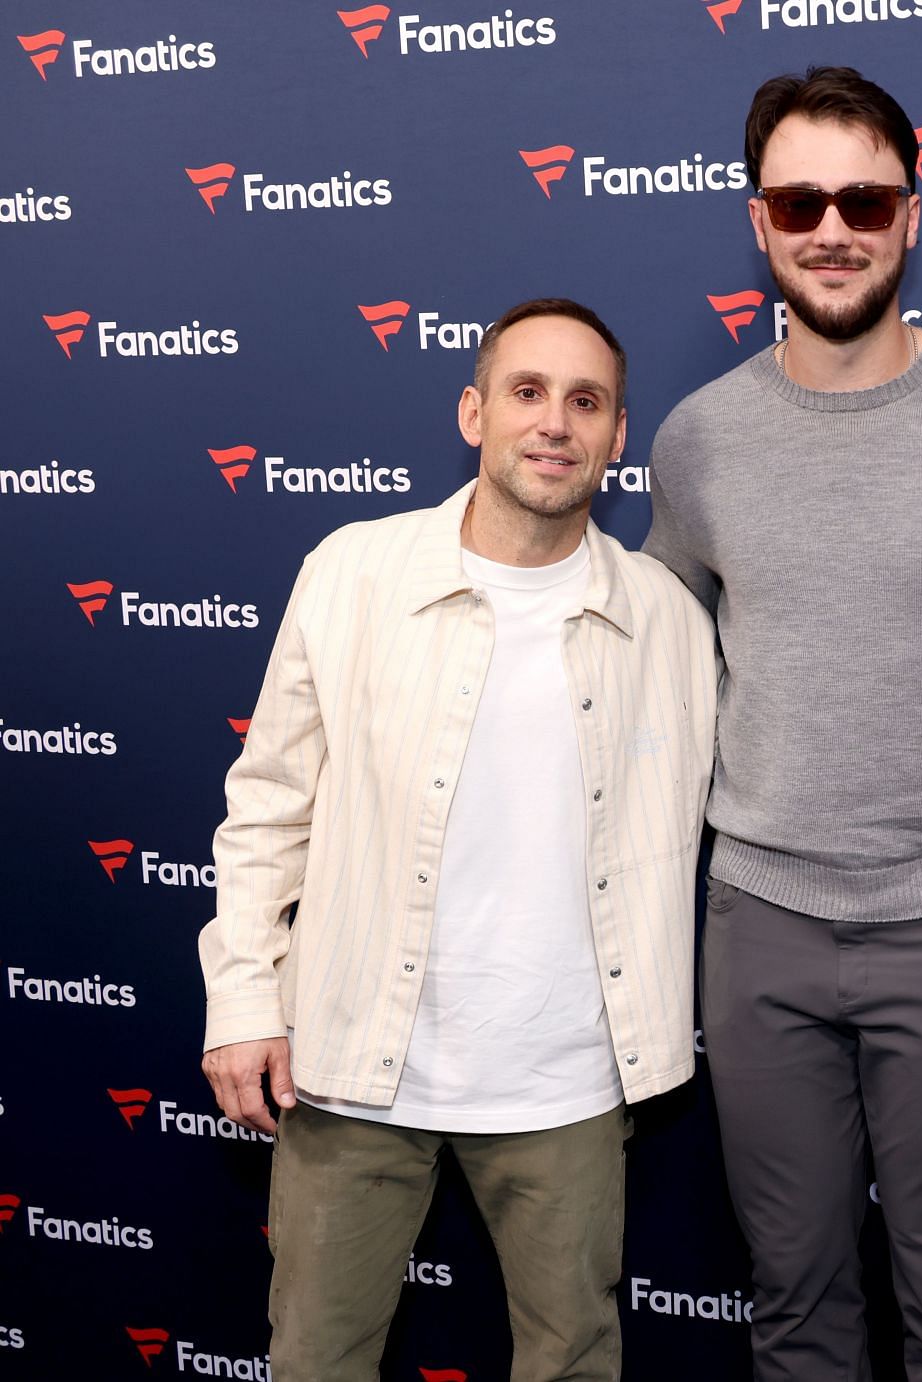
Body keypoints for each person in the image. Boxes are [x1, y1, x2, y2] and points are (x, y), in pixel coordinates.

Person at [198, 298, 717, 1382]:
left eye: (587, 401)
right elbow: (270, 803)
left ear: (620, 436)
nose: (555, 424)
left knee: (573, 1361)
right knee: (316, 1361)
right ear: (474, 409)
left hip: (565, 1080)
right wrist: (244, 997)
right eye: (527, 392)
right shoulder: (354, 571)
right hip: (351, 1070)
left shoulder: (668, 617)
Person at [642, 67, 922, 1382]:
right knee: (796, 1303)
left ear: (912, 215)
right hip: (756, 927)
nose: (834, 227)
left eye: (864, 198)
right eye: (801, 200)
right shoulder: (697, 440)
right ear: (759, 222)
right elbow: (647, 665)